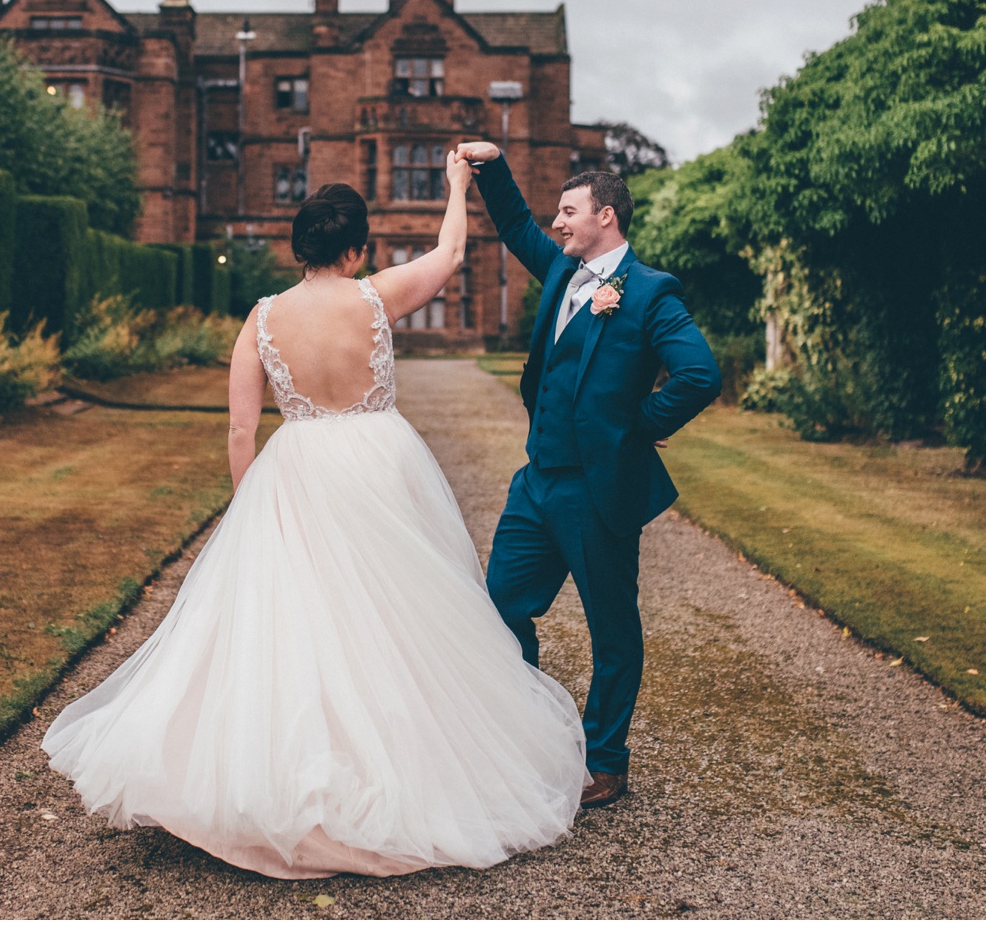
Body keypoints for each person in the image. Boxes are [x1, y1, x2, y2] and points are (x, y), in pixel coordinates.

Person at [41, 150, 588, 879]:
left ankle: (276, 778)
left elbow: (240, 429)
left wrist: (251, 506)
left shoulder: (262, 318)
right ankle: (404, 765)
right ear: (357, 248)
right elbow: (452, 252)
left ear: (301, 247)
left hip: (294, 467)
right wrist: (457, 185)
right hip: (380, 461)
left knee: (295, 623)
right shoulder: (375, 296)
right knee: (397, 611)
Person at [454, 140, 721, 809]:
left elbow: (700, 374)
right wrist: (491, 167)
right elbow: (514, 225)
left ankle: (606, 759)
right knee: (501, 607)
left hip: (597, 492)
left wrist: (643, 423)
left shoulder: (651, 293)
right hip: (536, 481)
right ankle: (525, 735)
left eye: (569, 211)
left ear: (606, 215)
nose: (557, 223)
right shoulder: (564, 275)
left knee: (612, 629)